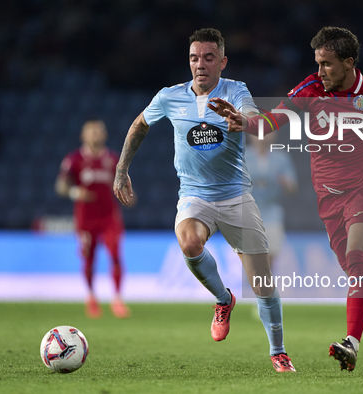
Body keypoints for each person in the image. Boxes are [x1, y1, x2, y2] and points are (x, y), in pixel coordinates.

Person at [208, 26, 363, 372]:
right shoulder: (309, 88)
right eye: (318, 63)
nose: (320, 71)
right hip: (328, 197)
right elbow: (272, 120)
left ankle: (351, 343)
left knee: (357, 257)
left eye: (326, 64)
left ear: (348, 62)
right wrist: (245, 123)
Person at [112, 28, 295, 372]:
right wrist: (122, 169)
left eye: (209, 57)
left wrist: (242, 121)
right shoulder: (170, 96)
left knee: (262, 281)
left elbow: (256, 121)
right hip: (194, 195)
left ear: (222, 62)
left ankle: (278, 351)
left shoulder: (236, 90)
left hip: (236, 195)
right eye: (195, 58)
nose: (200, 64)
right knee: (189, 241)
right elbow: (139, 125)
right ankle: (223, 299)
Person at [56, 119, 131, 319]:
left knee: (115, 254)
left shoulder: (114, 159)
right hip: (85, 218)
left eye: (99, 131)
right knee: (88, 258)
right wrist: (75, 192)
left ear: (105, 134)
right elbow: (61, 186)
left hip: (109, 217)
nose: (96, 134)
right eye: (92, 131)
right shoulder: (74, 159)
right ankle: (91, 297)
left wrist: (128, 195)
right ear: (83, 135)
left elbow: (123, 184)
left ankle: (117, 299)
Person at [244, 133, 298, 266]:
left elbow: (293, 187)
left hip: (272, 211)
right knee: (251, 254)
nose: (262, 137)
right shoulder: (243, 156)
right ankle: (255, 282)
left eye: (267, 132)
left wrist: (285, 182)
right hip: (248, 212)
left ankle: (265, 283)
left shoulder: (281, 157)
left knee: (271, 252)